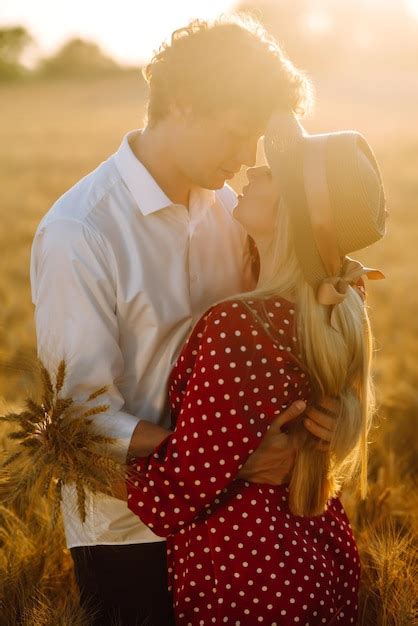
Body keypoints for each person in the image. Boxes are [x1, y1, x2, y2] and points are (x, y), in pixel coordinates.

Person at [29, 15, 337, 626]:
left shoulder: (236, 211)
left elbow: (274, 340)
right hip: (127, 533)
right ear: (182, 103)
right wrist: (221, 457)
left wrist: (319, 406)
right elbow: (79, 422)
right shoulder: (81, 232)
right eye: (236, 134)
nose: (247, 158)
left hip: (238, 524)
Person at [124, 113, 386, 625]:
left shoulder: (241, 325)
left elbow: (174, 491)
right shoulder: (331, 300)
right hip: (317, 549)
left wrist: (61, 452)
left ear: (291, 211)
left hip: (247, 569)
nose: (254, 169)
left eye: (274, 172)